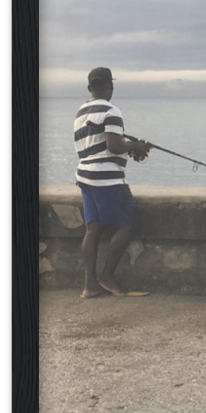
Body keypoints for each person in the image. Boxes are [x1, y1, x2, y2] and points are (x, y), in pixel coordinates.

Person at [73, 67, 153, 298]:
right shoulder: (111, 110)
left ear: (90, 88)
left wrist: (128, 147)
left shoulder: (80, 112)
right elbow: (114, 146)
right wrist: (135, 147)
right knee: (128, 222)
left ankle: (90, 285)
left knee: (92, 228)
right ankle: (107, 276)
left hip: (84, 176)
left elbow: (95, 145)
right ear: (111, 87)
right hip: (106, 178)